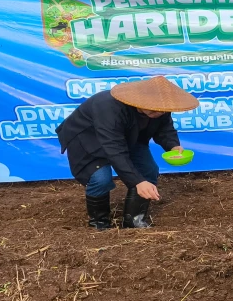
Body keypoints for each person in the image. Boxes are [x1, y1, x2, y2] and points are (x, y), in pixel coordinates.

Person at [57, 76, 198, 230]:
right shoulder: (108, 106)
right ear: (139, 100)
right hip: (88, 138)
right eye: (154, 109)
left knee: (148, 171)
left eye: (162, 110)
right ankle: (99, 223)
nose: (159, 113)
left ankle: (134, 220)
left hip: (129, 135)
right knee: (100, 178)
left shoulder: (160, 108)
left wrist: (173, 146)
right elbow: (114, 149)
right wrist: (137, 182)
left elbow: (165, 128)